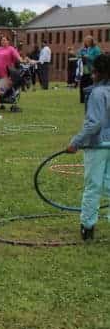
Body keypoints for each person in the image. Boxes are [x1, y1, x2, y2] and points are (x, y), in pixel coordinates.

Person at [66, 53, 110, 241]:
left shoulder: (97, 93)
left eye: (93, 72)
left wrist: (76, 142)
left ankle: (88, 226)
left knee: (92, 186)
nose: (91, 75)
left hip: (98, 145)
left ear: (98, 72)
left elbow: (95, 124)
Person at [78, 36, 102, 105]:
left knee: (91, 84)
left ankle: (92, 99)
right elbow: (80, 54)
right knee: (83, 84)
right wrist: (82, 56)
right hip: (87, 69)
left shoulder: (96, 49)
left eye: (87, 42)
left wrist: (88, 57)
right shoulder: (88, 48)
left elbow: (98, 59)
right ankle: (82, 99)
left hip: (94, 69)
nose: (86, 43)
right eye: (85, 42)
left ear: (91, 41)